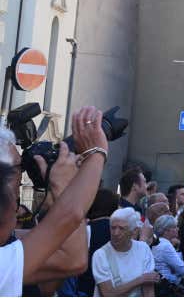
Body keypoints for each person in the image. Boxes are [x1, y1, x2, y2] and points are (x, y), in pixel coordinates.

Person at [0, 107, 109, 297]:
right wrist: (96, 154)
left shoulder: (9, 245)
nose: (22, 177)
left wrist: (55, 201)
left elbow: (48, 285)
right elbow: (71, 260)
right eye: (18, 168)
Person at [91, 206, 158, 297]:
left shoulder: (143, 249)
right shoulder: (100, 255)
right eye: (113, 228)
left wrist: (145, 280)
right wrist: (140, 280)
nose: (116, 233)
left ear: (134, 231)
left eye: (121, 228)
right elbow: (108, 293)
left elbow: (149, 291)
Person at [150, 215, 184, 287]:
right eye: (175, 227)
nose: (178, 229)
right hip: (168, 286)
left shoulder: (158, 242)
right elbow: (182, 270)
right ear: (166, 230)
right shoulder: (165, 245)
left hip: (162, 283)